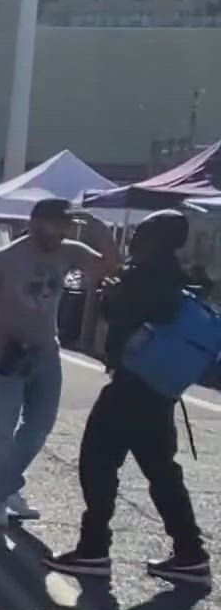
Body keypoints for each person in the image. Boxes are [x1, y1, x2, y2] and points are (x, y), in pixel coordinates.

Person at [47, 211, 210, 583]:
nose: (136, 236)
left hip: (131, 386)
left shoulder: (143, 275)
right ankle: (190, 552)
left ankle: (94, 549)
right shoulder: (179, 276)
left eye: (142, 231)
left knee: (97, 462)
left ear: (151, 237)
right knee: (162, 471)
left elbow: (116, 312)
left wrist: (111, 288)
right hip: (160, 390)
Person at [0, 197, 120, 528]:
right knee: (1, 428)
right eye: (44, 234)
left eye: (58, 234)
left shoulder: (70, 251)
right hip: (5, 351)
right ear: (31, 225)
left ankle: (6, 486)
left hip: (45, 349)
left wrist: (98, 227)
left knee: (40, 425)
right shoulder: (5, 258)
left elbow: (110, 266)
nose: (50, 241)